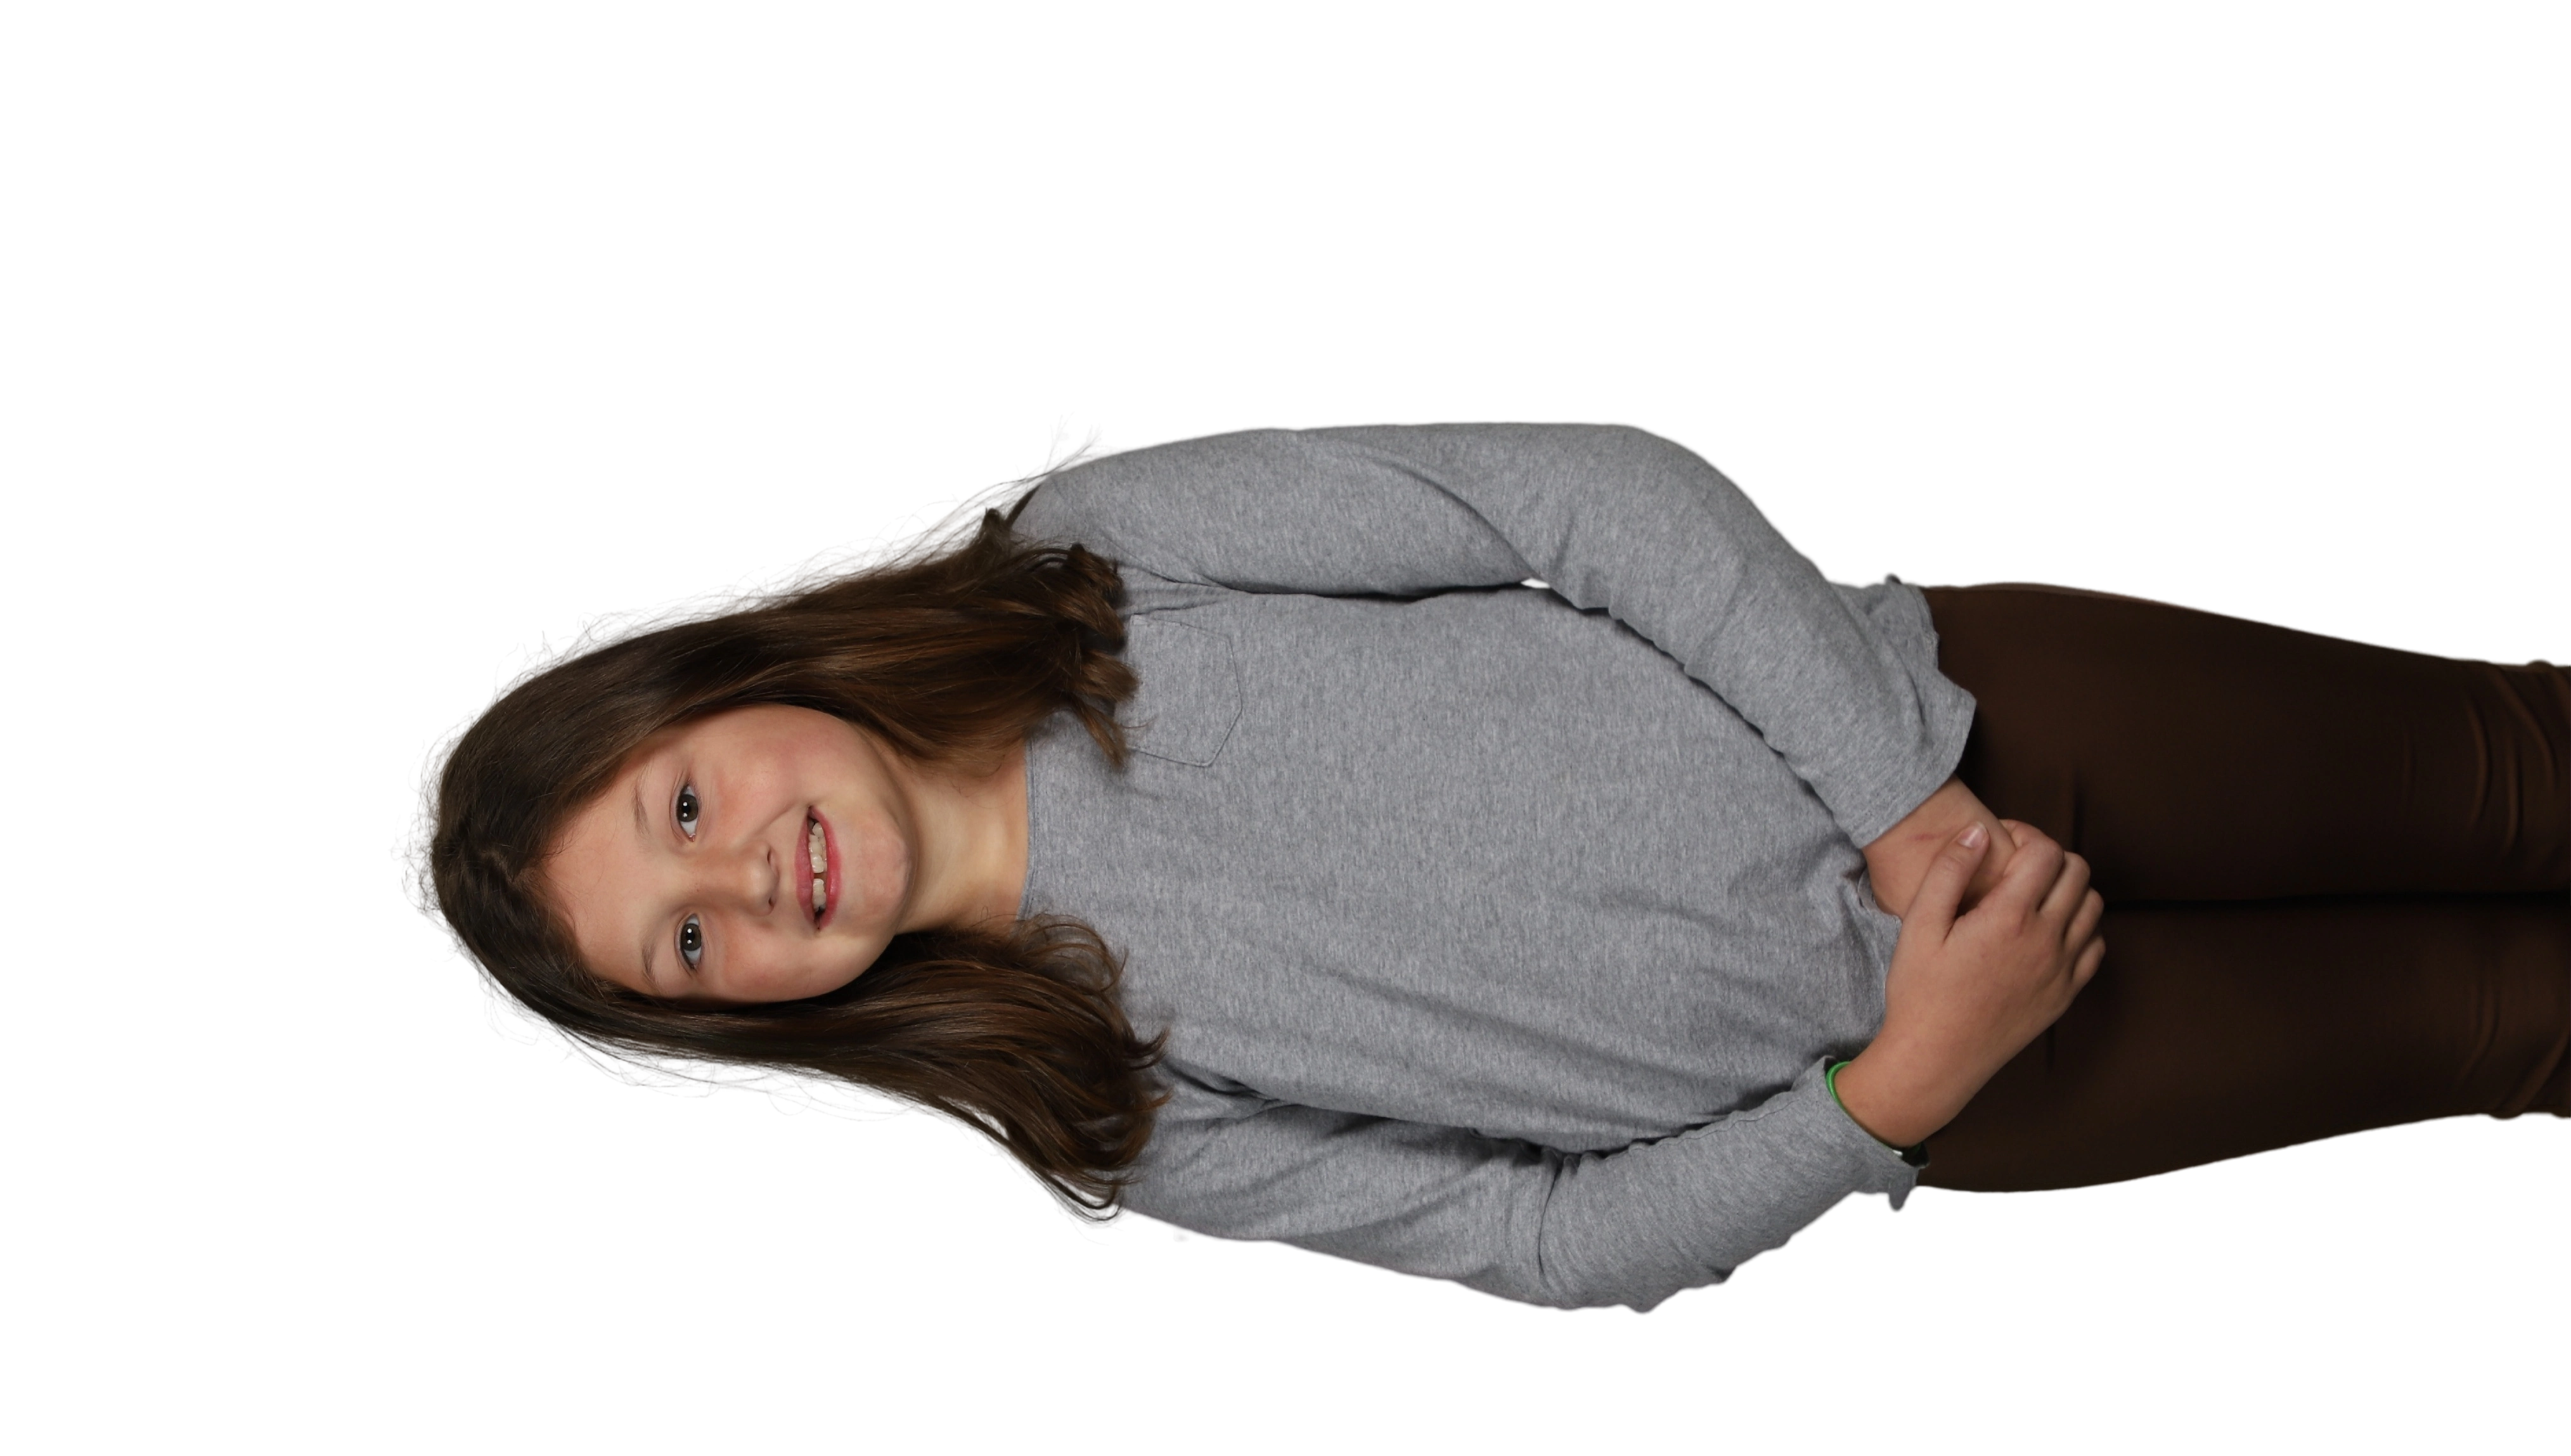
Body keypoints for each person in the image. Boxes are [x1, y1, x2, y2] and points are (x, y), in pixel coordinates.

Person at [389, 418, 2571, 1316]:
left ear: (721, 680)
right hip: (1988, 1055)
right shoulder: (1100, 1110)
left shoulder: (1092, 560)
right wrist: (1894, 1090)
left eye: (683, 813)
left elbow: (1583, 503)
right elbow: (1545, 1243)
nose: (746, 887)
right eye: (688, 946)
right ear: (735, 1019)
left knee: (2514, 770)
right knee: (2505, 1028)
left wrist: (1906, 801)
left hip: (1976, 725)